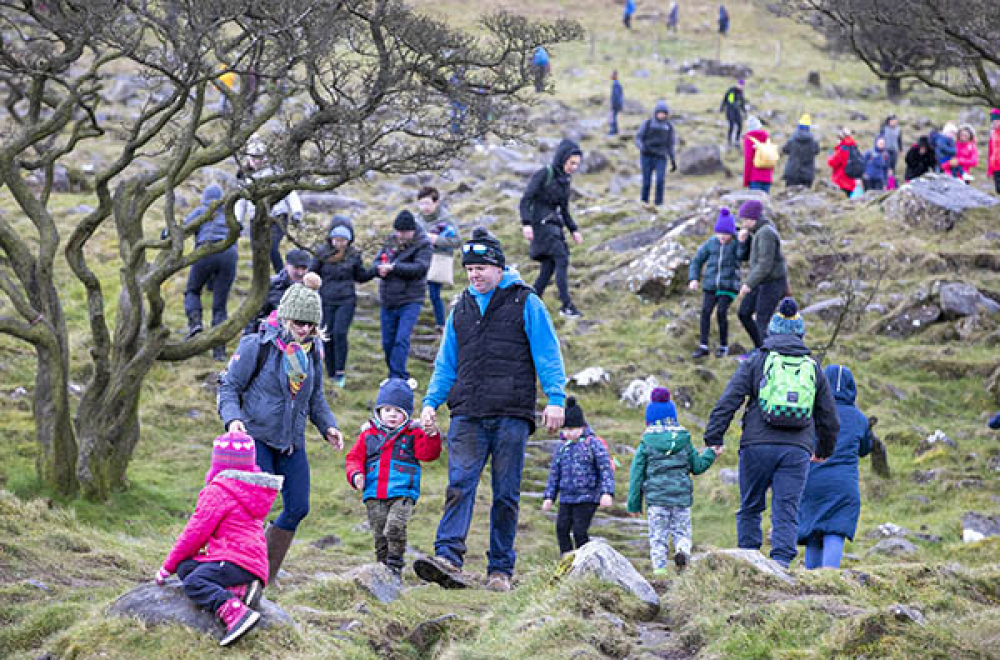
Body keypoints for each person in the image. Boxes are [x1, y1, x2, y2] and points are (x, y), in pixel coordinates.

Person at [415, 228, 568, 593]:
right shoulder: (461, 308)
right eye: (469, 268)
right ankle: (448, 556)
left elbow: (547, 352)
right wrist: (430, 403)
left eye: (481, 267)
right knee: (459, 485)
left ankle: (500, 570)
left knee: (506, 493)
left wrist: (556, 398)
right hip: (467, 412)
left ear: (499, 268)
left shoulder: (525, 301)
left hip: (511, 413)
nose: (474, 275)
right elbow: (445, 364)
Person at [218, 278, 344, 584]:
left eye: (311, 325)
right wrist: (233, 421)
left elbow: (315, 397)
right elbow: (229, 387)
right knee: (254, 510)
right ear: (286, 317)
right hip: (257, 436)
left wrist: (328, 426)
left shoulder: (312, 352)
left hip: (291, 442)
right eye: (300, 323)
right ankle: (242, 570)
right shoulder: (256, 346)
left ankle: (265, 572)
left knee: (298, 506)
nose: (304, 330)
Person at [704, 298, 840, 568]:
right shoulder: (812, 367)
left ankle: (749, 562)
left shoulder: (757, 361)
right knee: (786, 510)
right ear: (800, 334)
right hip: (797, 448)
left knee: (751, 506)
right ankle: (780, 565)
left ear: (771, 331)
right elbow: (829, 417)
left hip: (756, 445)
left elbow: (729, 400)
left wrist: (714, 438)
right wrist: (823, 450)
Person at [155, 431, 281, 646]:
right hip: (249, 560)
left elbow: (194, 533)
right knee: (186, 568)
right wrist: (178, 565)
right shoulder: (249, 490)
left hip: (236, 559)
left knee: (194, 582)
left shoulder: (219, 491)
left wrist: (167, 567)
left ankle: (236, 613)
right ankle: (241, 590)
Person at [345, 378, 442, 578]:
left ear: (406, 415)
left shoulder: (413, 434)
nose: (392, 415)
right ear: (379, 411)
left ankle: (395, 564)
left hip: (403, 492)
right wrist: (355, 475)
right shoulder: (368, 435)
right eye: (388, 409)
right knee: (380, 532)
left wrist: (431, 435)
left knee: (395, 526)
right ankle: (382, 567)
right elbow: (353, 458)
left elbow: (428, 454)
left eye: (398, 411)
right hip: (373, 493)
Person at [627, 388, 719, 574]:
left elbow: (637, 475)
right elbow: (698, 466)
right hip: (681, 499)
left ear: (649, 420)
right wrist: (710, 453)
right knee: (682, 532)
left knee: (658, 537)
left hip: (657, 501)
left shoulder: (646, 443)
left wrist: (634, 504)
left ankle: (660, 572)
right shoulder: (684, 441)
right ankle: (682, 551)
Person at [796, 364, 872, 570]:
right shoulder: (859, 418)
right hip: (843, 484)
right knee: (835, 530)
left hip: (812, 480)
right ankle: (830, 580)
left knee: (813, 533)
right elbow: (866, 448)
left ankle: (810, 582)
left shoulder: (811, 412)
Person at [519, 139, 585, 318]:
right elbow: (526, 199)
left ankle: (530, 304)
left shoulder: (565, 180)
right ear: (563, 159)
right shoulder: (544, 174)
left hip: (554, 227)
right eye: (572, 163)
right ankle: (567, 306)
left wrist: (574, 230)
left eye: (577, 164)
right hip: (540, 228)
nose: (574, 167)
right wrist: (526, 224)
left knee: (548, 267)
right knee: (562, 258)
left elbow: (564, 210)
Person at [542, 397, 615, 555]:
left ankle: (586, 560)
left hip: (588, 497)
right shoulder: (562, 448)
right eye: (565, 429)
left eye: (572, 429)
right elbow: (554, 474)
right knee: (561, 529)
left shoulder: (593, 444)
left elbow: (605, 469)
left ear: (582, 427)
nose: (568, 433)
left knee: (579, 530)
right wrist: (549, 497)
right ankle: (566, 562)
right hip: (566, 498)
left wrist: (606, 493)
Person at [309, 216, 373, 386]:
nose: (340, 243)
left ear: (349, 240)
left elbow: (361, 276)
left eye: (343, 240)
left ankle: (340, 372)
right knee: (326, 335)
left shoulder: (354, 255)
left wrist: (375, 271)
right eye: (337, 239)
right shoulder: (321, 253)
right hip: (326, 300)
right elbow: (312, 273)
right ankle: (329, 372)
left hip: (346, 300)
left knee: (340, 333)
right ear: (331, 238)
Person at [370, 211, 432, 380]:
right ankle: (396, 375)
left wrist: (394, 267)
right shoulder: (391, 240)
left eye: (404, 232)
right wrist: (379, 268)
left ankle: (397, 377)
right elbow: (377, 261)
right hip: (388, 299)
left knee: (401, 339)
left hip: (411, 299)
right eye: (398, 231)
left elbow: (421, 268)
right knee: (387, 342)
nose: (400, 235)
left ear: (412, 231)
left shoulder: (423, 244)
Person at [182, 184, 239, 361]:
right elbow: (239, 229)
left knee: (192, 290)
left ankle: (195, 324)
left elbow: (183, 227)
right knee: (220, 306)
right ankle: (219, 351)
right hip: (229, 254)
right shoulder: (229, 212)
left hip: (206, 250)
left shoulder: (201, 211)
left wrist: (166, 233)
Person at [234, 137, 304, 274]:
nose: (257, 161)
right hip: (256, 218)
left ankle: (282, 275)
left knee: (271, 248)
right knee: (257, 252)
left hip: (277, 216)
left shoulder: (276, 171)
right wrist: (238, 221)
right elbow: (241, 202)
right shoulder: (243, 176)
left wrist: (297, 212)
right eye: (253, 157)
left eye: (259, 157)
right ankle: (260, 284)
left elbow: (290, 192)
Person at [735, 200, 787, 352]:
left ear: (753, 219)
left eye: (745, 220)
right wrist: (743, 242)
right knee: (744, 313)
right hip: (761, 282)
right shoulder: (757, 232)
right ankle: (760, 348)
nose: (743, 223)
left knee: (762, 321)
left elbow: (765, 264)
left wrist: (748, 284)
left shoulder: (766, 233)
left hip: (772, 283)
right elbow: (744, 257)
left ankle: (766, 355)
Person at [688, 208, 740, 359]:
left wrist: (742, 241)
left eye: (726, 234)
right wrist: (694, 279)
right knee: (705, 312)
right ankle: (703, 346)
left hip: (728, 286)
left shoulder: (736, 244)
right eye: (720, 233)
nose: (722, 237)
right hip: (710, 286)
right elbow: (697, 260)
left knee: (721, 313)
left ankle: (723, 346)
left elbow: (744, 255)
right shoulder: (711, 243)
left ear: (732, 233)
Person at [415, 187, 462, 333]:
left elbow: (456, 241)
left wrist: (437, 240)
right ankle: (413, 320)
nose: (425, 207)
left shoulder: (446, 219)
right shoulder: (417, 219)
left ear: (437, 202)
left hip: (439, 259)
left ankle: (441, 324)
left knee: (434, 292)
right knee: (416, 290)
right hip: (420, 258)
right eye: (421, 203)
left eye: (428, 203)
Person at [244, 248, 310, 335]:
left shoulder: (312, 288)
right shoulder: (271, 286)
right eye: (296, 268)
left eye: (304, 268)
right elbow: (253, 316)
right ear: (286, 265)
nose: (300, 273)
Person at [635, 100, 677, 207]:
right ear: (655, 113)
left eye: (664, 113)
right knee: (646, 182)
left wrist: (673, 160)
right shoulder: (647, 124)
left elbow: (671, 144)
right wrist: (642, 147)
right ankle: (644, 203)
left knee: (660, 181)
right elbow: (638, 138)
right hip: (647, 156)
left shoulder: (669, 127)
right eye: (660, 112)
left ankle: (659, 204)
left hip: (661, 157)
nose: (661, 115)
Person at [781, 114, 820, 188]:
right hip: (807, 175)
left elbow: (784, 150)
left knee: (789, 197)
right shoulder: (814, 142)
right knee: (805, 197)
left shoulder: (792, 139)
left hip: (792, 173)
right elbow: (817, 151)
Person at [742, 116, 774, 193]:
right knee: (765, 203)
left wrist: (746, 180)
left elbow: (748, 160)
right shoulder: (766, 137)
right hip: (767, 178)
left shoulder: (749, 139)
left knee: (755, 203)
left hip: (755, 177)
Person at [828, 127, 860, 197]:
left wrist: (830, 155)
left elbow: (832, 162)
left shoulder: (842, 149)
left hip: (841, 180)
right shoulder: (854, 147)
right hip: (851, 182)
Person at [720, 79, 746, 147]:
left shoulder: (741, 92)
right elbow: (730, 101)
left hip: (736, 111)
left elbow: (742, 102)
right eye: (740, 85)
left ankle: (737, 141)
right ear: (737, 84)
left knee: (740, 125)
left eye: (742, 85)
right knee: (731, 125)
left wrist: (744, 111)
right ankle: (729, 141)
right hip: (730, 110)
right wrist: (722, 108)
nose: (740, 86)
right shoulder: (732, 91)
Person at [609, 70, 624, 136]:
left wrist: (614, 104)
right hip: (617, 104)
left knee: (613, 117)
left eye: (612, 75)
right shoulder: (616, 84)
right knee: (614, 117)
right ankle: (615, 130)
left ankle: (614, 131)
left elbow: (617, 96)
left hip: (616, 104)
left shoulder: (616, 84)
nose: (611, 76)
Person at [989, 109, 1000, 194]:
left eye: (996, 121)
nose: (994, 124)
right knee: (998, 190)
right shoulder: (992, 133)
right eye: (992, 122)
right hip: (995, 167)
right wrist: (990, 169)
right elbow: (991, 151)